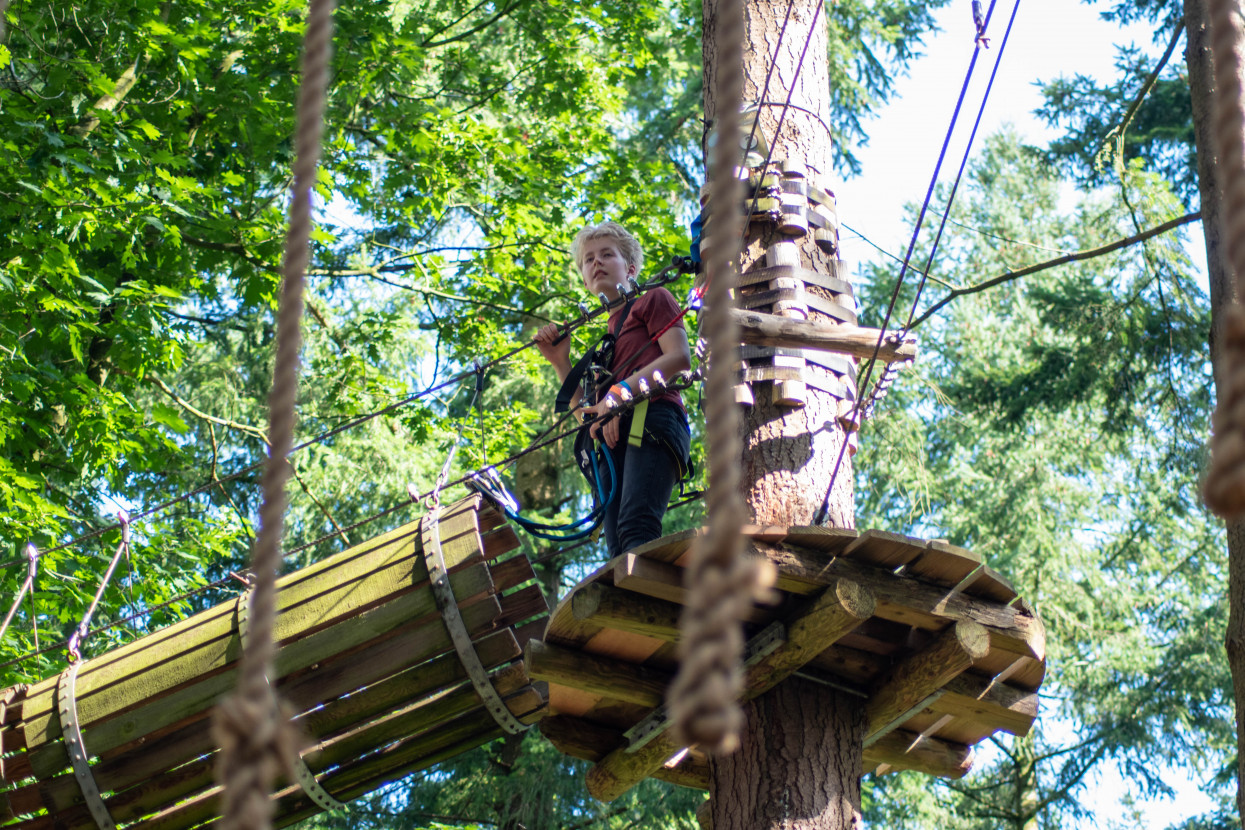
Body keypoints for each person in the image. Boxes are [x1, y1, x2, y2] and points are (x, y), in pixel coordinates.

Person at [534, 221, 692, 557]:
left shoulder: (653, 298)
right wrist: (561, 363)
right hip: (615, 438)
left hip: (654, 420)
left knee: (636, 527)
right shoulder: (604, 347)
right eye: (588, 260)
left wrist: (619, 394)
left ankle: (650, 604)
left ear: (631, 269)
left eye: (607, 254)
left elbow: (679, 357)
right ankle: (636, 604)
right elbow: (587, 419)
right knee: (618, 544)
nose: (596, 262)